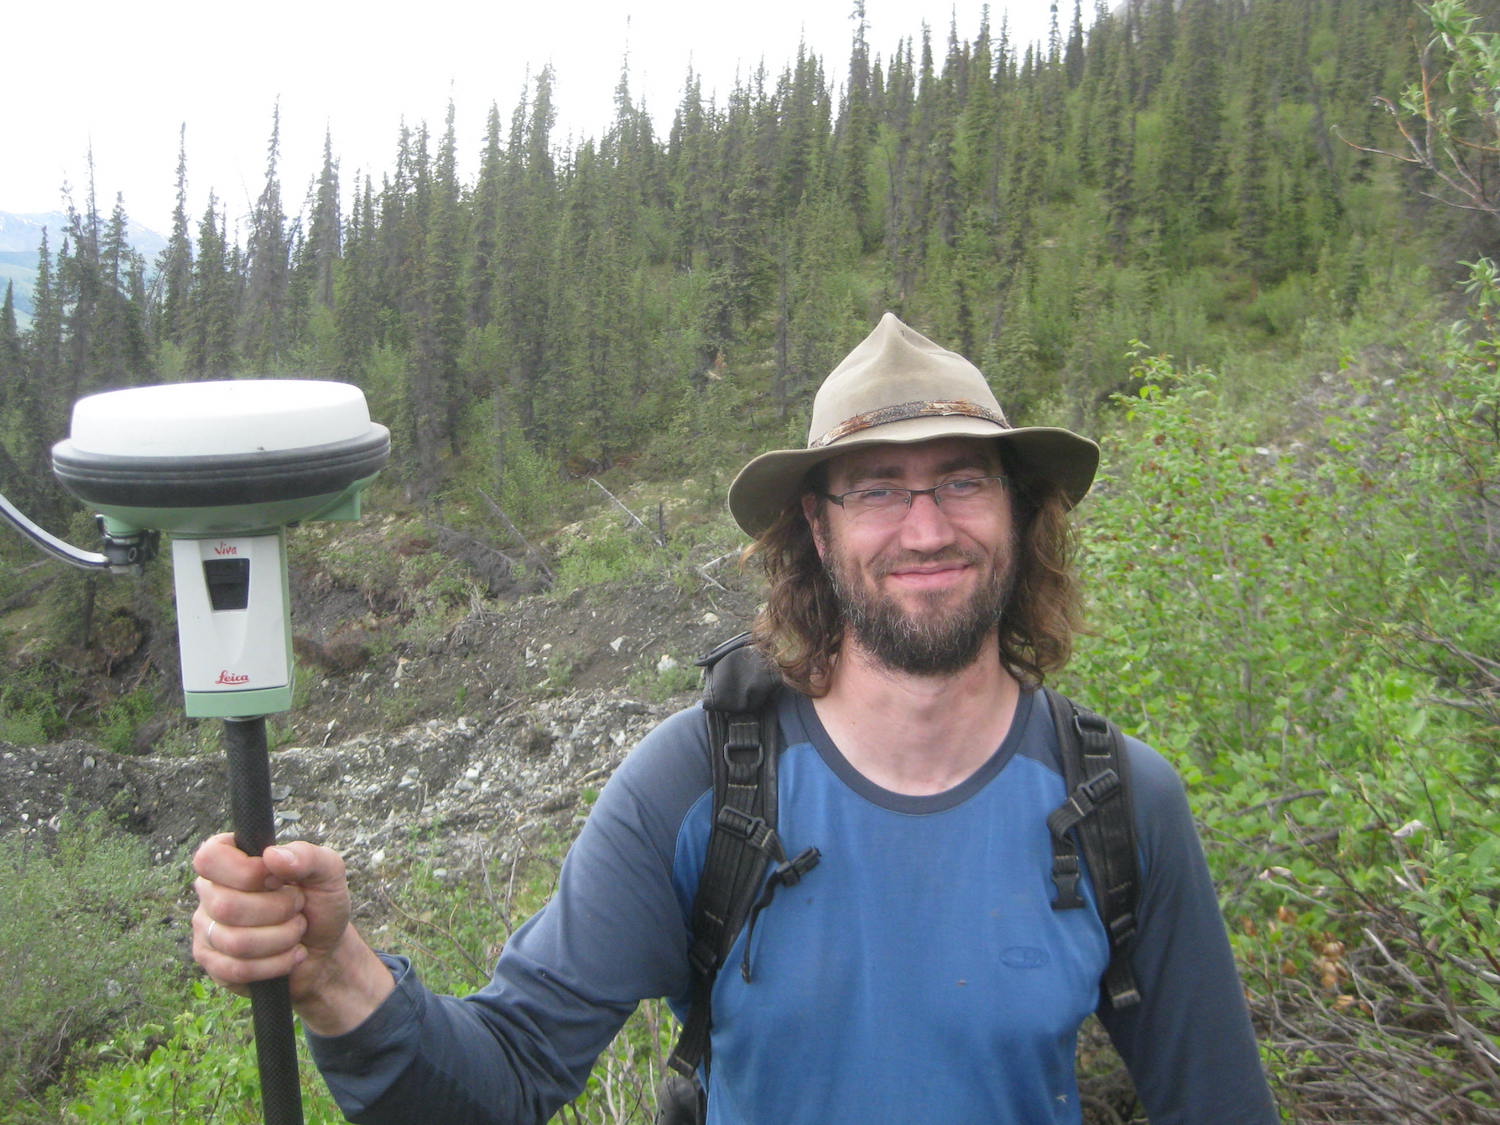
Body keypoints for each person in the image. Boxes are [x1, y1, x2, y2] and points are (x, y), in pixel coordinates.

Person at [193, 313, 1279, 1124]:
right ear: (815, 526)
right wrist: (340, 979)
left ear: (1018, 509)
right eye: (876, 489)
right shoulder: (701, 785)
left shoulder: (1119, 805)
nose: (926, 525)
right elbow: (510, 1073)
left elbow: (1218, 1104)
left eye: (961, 481)